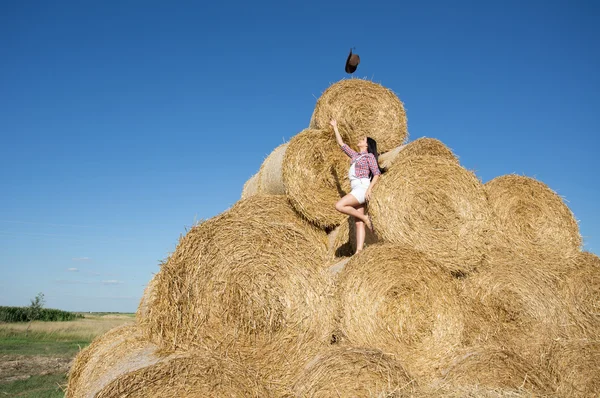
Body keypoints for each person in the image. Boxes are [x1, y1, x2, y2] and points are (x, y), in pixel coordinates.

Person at [330, 119, 382, 254]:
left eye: (363, 139)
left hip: (362, 187)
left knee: (339, 206)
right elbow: (342, 145)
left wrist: (369, 190)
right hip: (356, 188)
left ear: (367, 145)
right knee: (358, 223)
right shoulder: (355, 156)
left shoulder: (369, 156)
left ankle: (366, 218)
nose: (360, 140)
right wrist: (335, 127)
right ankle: (359, 251)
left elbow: (376, 173)